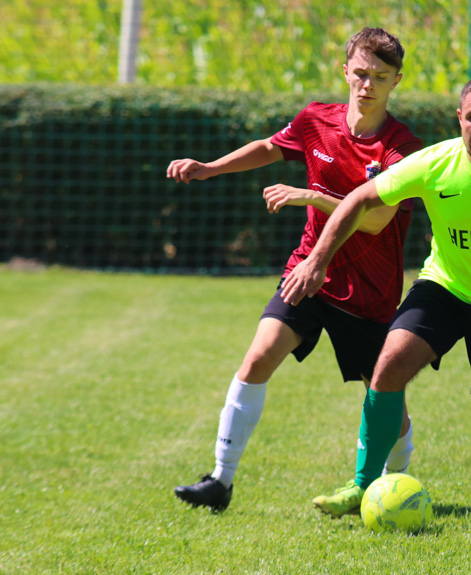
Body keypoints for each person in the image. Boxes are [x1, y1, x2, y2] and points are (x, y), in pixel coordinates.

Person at [279, 74, 471, 521]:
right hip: (443, 290)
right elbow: (359, 199)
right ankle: (362, 484)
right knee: (387, 366)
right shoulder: (436, 161)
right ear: (459, 118)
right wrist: (317, 259)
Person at [165, 27, 423, 512]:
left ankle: (399, 478)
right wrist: (211, 167)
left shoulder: (401, 147)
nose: (367, 85)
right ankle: (219, 481)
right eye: (361, 74)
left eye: (380, 77)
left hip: (369, 292)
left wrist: (311, 196)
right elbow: (271, 146)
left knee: (387, 398)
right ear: (345, 70)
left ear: (396, 82)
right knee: (259, 357)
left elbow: (375, 220)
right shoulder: (316, 121)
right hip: (309, 273)